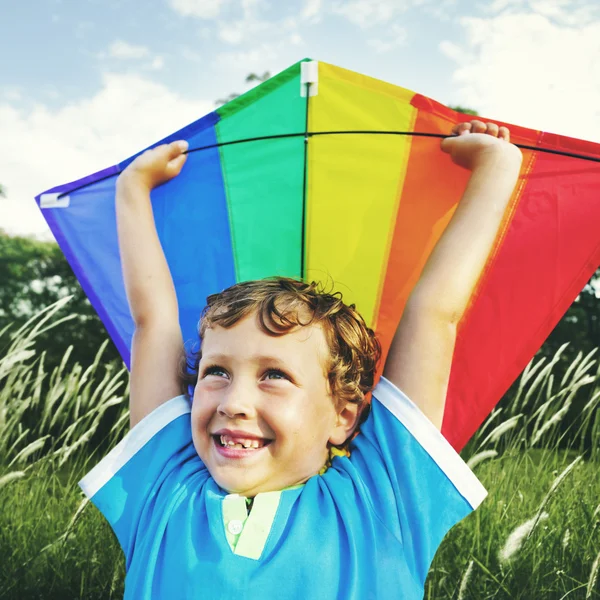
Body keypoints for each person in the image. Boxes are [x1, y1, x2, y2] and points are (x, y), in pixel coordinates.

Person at [79, 120, 523, 599]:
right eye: (217, 372)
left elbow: (435, 315)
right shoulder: (164, 492)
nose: (234, 401)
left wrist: (496, 169)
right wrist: (133, 189)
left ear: (344, 415)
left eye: (274, 375)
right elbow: (154, 324)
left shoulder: (382, 499)